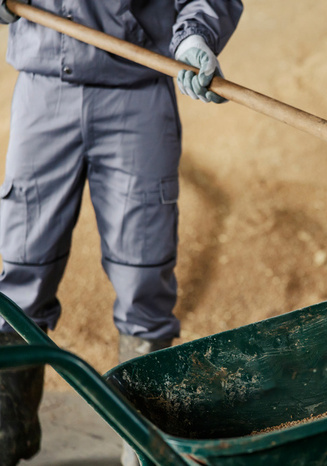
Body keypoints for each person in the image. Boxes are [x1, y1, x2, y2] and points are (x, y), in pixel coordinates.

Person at [0, 1, 243, 464]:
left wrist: (196, 36)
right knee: (23, 273)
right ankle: (6, 433)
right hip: (43, 87)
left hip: (137, 90)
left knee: (144, 278)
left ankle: (144, 449)